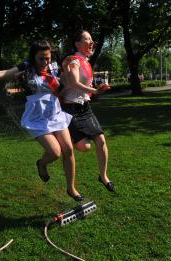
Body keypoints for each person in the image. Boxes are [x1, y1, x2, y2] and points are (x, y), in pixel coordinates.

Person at [0, 40, 84, 201]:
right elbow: (0, 74)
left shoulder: (54, 67)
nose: (45, 62)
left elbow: (71, 78)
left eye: (48, 58)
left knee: (69, 150)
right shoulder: (26, 67)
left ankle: (71, 188)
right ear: (33, 57)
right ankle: (42, 164)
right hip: (36, 116)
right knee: (55, 152)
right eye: (41, 59)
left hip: (55, 113)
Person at [60, 30, 115, 193]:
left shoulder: (85, 61)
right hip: (71, 109)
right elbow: (75, 83)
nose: (91, 42)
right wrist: (96, 91)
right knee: (85, 147)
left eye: (92, 39)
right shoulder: (75, 61)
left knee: (101, 140)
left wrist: (95, 91)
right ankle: (66, 138)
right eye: (87, 39)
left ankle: (103, 176)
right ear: (77, 44)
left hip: (85, 107)